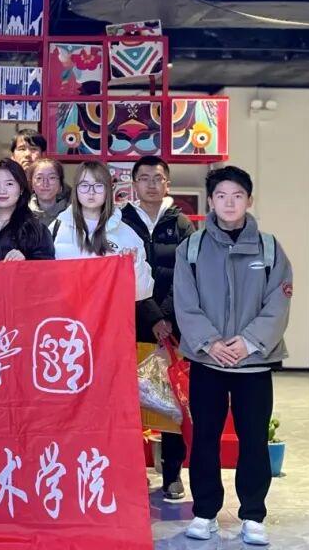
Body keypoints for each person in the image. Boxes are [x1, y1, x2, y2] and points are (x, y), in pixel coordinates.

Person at [174, 166, 292, 547]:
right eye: (222, 196)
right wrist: (211, 343)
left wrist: (248, 342)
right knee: (204, 438)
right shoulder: (191, 248)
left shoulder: (269, 249)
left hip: (253, 364)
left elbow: (278, 303)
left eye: (237, 196)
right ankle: (205, 512)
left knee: (253, 439)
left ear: (249, 200)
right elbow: (185, 302)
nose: (229, 203)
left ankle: (253, 516)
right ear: (210, 201)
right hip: (208, 362)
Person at [121, 156, 197, 500]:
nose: (151, 184)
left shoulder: (181, 224)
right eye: (144, 178)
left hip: (172, 326)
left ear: (168, 183)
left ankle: (172, 473)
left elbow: (189, 275)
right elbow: (123, 273)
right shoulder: (120, 222)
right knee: (130, 401)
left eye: (158, 178)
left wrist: (166, 318)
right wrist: (153, 316)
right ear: (134, 183)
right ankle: (131, 472)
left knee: (170, 400)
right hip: (130, 322)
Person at [52, 161, 156, 304]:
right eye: (84, 185)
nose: (91, 192)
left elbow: (143, 292)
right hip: (66, 312)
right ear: (75, 189)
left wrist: (135, 264)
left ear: (108, 189)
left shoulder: (126, 233)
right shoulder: (57, 227)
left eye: (99, 185)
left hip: (109, 314)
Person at [0, 158, 55, 262]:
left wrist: (26, 261)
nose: (2, 191)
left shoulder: (36, 231)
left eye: (9, 184)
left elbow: (48, 268)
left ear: (21, 188)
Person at [28, 158, 70, 230]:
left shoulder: (71, 213)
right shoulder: (22, 213)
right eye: (39, 178)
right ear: (31, 184)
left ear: (60, 184)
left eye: (52, 178)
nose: (45, 184)